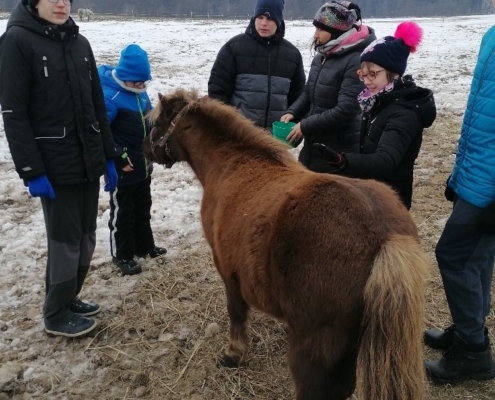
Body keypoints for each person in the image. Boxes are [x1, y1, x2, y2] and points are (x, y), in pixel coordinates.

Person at [0, 0, 118, 337]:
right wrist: (31, 170)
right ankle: (55, 313)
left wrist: (108, 155)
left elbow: (97, 102)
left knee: (85, 239)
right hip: (54, 165)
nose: (62, 3)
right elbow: (14, 113)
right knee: (65, 243)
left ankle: (69, 297)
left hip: (87, 159)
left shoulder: (80, 43)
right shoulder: (17, 41)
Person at [423, 3, 495, 383]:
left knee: (454, 254)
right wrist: (460, 173)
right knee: (477, 259)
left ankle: (473, 354)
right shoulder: (492, 36)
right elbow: (480, 114)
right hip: (480, 172)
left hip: (491, 185)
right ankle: (471, 330)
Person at [313, 21, 436, 210]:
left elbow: (384, 160)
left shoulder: (403, 114)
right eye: (363, 74)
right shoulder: (377, 101)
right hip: (374, 194)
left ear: (393, 74)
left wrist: (343, 161)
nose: (366, 81)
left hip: (390, 202)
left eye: (373, 74)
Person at [282, 1, 376, 171]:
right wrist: (292, 112)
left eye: (320, 29)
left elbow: (346, 110)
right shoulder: (321, 57)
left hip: (338, 153)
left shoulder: (355, 61)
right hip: (313, 149)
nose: (315, 35)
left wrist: (306, 125)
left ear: (336, 31)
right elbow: (308, 93)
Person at [98, 44, 167, 276]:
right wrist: (118, 157)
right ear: (125, 76)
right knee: (123, 213)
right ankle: (122, 255)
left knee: (143, 207)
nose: (141, 85)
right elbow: (101, 135)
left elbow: (147, 122)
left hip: (143, 166)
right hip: (123, 168)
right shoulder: (110, 97)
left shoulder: (140, 93)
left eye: (144, 81)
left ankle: (144, 246)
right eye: (137, 81)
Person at [208, 0, 305, 130]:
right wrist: (225, 126)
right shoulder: (233, 48)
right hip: (240, 134)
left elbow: (298, 97)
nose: (264, 23)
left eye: (270, 18)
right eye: (260, 17)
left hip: (275, 138)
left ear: (279, 20)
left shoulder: (292, 54)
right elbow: (218, 91)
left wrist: (293, 124)